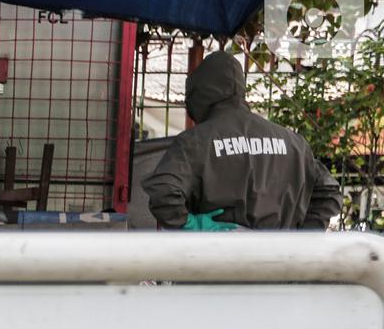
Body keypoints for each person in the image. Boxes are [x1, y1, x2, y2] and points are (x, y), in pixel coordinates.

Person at [144, 51, 340, 232]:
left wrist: (195, 225)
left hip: (213, 261)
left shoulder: (194, 143)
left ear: (199, 93)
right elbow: (328, 192)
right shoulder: (295, 145)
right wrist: (301, 238)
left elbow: (163, 191)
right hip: (280, 264)